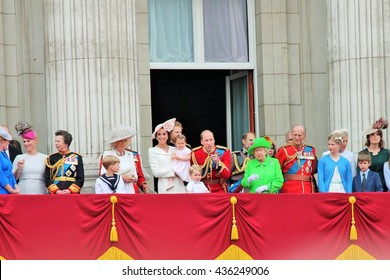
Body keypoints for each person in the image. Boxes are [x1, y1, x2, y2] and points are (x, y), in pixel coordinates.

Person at [100, 125, 150, 194]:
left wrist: (138, 181)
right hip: (114, 190)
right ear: (115, 142)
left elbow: (138, 175)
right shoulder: (107, 154)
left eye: (125, 140)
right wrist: (120, 178)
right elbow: (103, 175)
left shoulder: (132, 155)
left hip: (131, 190)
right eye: (120, 141)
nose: (123, 143)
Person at [275, 124, 318, 193]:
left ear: (304, 136)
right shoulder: (284, 150)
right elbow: (277, 170)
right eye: (295, 135)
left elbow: (312, 169)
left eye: (299, 135)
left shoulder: (310, 150)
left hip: (307, 189)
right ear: (291, 135)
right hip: (289, 189)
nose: (297, 137)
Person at [148, 118, 186, 193]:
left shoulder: (175, 149)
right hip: (164, 186)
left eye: (164, 134)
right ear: (156, 136)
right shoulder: (152, 151)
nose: (162, 137)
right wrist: (173, 173)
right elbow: (156, 172)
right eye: (159, 134)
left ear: (168, 135)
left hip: (179, 184)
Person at [12, 121, 47, 194]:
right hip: (23, 191)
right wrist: (19, 169)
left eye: (28, 141)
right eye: (24, 142)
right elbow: (13, 178)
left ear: (35, 140)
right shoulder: (19, 157)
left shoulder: (45, 158)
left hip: (40, 191)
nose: (26, 144)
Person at [45, 130, 84, 194]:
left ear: (66, 143)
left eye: (58, 141)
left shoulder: (76, 157)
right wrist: (56, 190)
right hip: (55, 192)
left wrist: (70, 190)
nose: (56, 143)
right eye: (55, 141)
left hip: (71, 192)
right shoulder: (51, 158)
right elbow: (47, 179)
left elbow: (80, 178)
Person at [360, 117, 389, 191]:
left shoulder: (387, 153)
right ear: (368, 137)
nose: (375, 136)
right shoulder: (363, 153)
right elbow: (359, 173)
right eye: (372, 134)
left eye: (378, 134)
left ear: (380, 137)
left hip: (384, 188)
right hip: (368, 188)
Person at [0, 127, 19, 194]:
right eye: (7, 141)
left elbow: (10, 173)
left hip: (10, 189)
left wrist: (16, 186)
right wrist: (11, 190)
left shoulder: (4, 154)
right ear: (1, 141)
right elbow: (0, 175)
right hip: (2, 190)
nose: (8, 143)